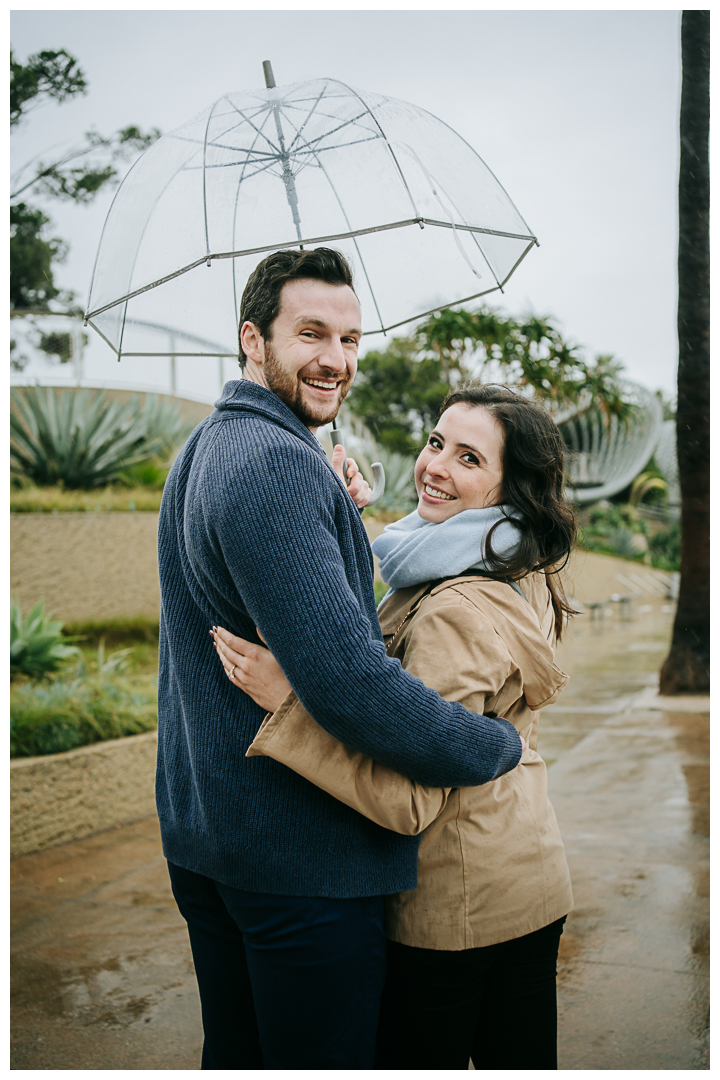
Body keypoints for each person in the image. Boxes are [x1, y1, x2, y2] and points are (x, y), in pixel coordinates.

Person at [156, 248, 525, 1070]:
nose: (337, 359)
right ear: (254, 339)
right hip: (297, 862)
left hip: (213, 838)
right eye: (312, 333)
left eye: (352, 339)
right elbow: (353, 685)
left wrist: (337, 513)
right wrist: (496, 746)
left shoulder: (209, 447)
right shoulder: (277, 464)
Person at [212, 382, 576, 1070]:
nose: (435, 466)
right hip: (524, 875)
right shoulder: (506, 559)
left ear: (508, 490)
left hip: (459, 903)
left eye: (470, 459)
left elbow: (411, 799)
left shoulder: (452, 609)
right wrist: (338, 515)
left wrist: (292, 707)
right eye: (437, 442)